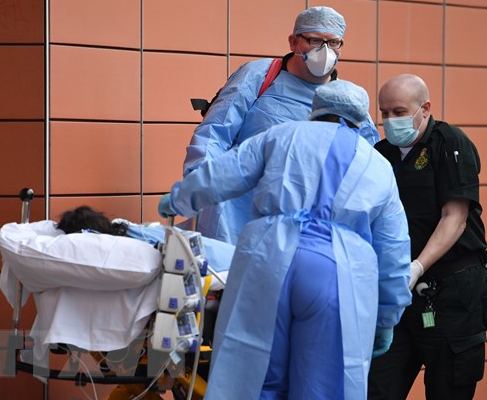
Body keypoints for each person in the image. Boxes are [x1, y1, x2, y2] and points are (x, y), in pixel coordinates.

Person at [158, 80, 411, 399]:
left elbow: (223, 174)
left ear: (315, 108)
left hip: (269, 258)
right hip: (338, 274)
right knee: (322, 386)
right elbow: (394, 250)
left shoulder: (281, 135)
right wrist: (387, 317)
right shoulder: (378, 165)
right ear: (361, 119)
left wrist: (178, 199)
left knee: (253, 377)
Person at [183, 6, 380, 244]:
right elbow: (214, 132)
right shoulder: (260, 76)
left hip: (306, 226)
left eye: (333, 42)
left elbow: (371, 168)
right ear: (293, 42)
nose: (325, 50)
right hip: (236, 213)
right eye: (315, 40)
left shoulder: (347, 101)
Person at [368, 74, 487, 400]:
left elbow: (455, 218)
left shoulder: (449, 144)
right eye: (384, 113)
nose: (390, 120)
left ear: (424, 108)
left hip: (451, 292)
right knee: (376, 386)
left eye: (399, 112)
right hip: (398, 293)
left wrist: (418, 267)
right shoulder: (381, 154)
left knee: (448, 388)